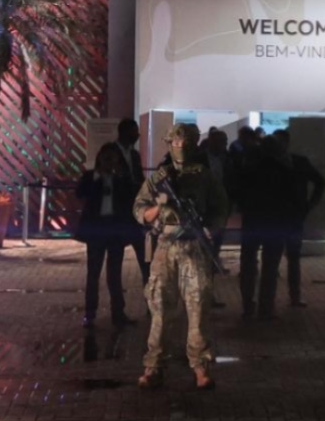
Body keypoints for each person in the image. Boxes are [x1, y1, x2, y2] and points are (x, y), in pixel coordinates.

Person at [135, 123, 230, 390]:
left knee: (198, 307)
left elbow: (221, 206)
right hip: (166, 244)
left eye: (186, 142)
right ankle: (153, 366)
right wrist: (159, 205)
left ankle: (200, 366)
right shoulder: (159, 177)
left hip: (194, 245)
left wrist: (211, 227)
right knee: (160, 308)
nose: (180, 147)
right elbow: (140, 210)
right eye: (176, 142)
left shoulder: (204, 176)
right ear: (169, 144)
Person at [75, 135, 147, 327]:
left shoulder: (120, 180)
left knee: (114, 274)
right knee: (93, 273)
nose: (110, 162)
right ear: (100, 158)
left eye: (113, 159)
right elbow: (80, 193)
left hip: (115, 231)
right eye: (106, 158)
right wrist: (98, 177)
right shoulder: (90, 177)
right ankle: (90, 314)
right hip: (97, 231)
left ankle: (118, 312)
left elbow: (130, 200)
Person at [233, 135, 292, 320]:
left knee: (248, 264)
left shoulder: (249, 169)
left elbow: (239, 193)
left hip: (252, 221)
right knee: (270, 267)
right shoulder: (282, 169)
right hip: (275, 223)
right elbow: (288, 198)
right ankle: (266, 307)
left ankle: (248, 305)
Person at [271, 126, 325, 309]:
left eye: (280, 142)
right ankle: (273, 299)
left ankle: (293, 296)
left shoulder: (299, 162)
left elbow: (320, 181)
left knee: (292, 258)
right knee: (275, 259)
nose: (278, 146)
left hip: (293, 216)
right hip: (277, 217)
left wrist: (309, 204)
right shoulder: (269, 162)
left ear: (286, 143)